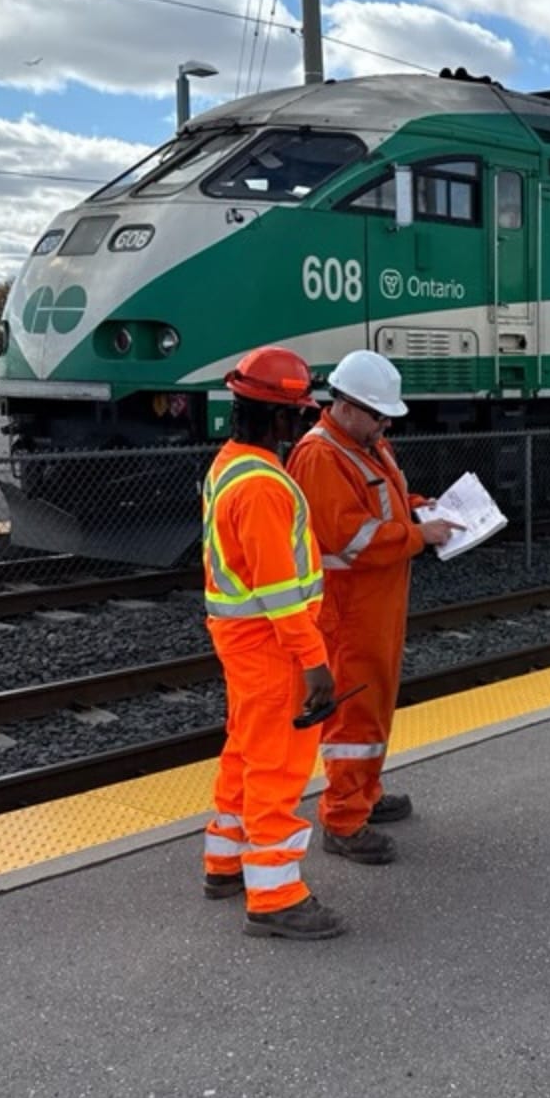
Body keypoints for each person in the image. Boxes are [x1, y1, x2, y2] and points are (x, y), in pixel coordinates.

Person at [288, 348, 456, 867]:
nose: (386, 424)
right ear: (347, 405)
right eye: (379, 414)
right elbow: (351, 538)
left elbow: (379, 505)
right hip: (350, 608)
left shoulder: (362, 446)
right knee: (355, 713)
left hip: (375, 602)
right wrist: (418, 534)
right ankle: (343, 820)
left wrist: (419, 506)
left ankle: (365, 794)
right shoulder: (321, 455)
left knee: (375, 702)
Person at [198, 345, 343, 940]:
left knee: (244, 750)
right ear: (283, 418)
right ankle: (276, 894)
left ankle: (225, 861)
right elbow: (280, 592)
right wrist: (315, 664)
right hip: (270, 645)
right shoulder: (262, 487)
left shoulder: (227, 465)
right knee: (278, 767)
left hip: (242, 639)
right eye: (301, 414)